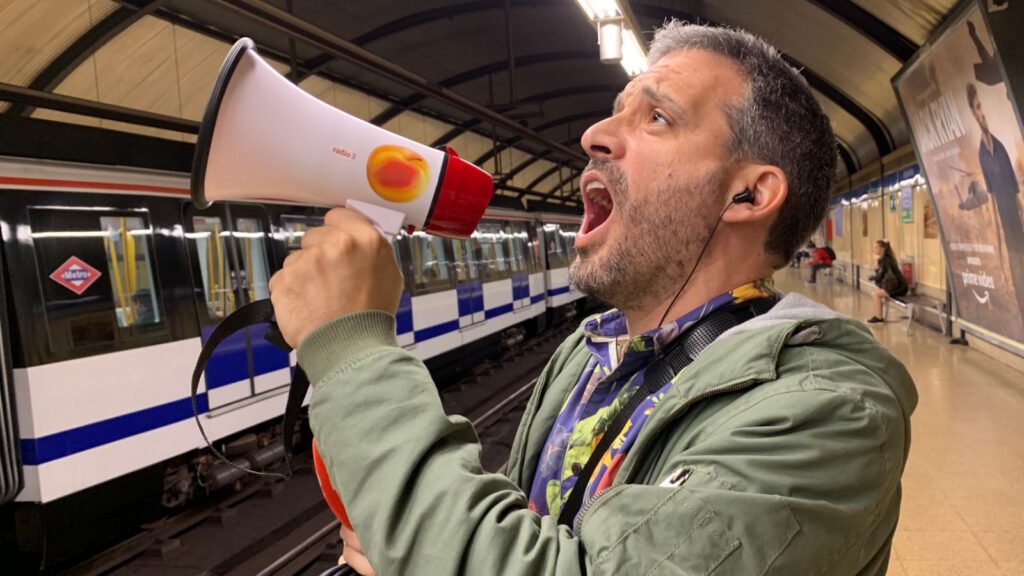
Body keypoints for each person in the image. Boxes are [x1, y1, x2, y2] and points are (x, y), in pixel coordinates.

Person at [269, 21, 917, 575]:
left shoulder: (828, 414)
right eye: (616, 110)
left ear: (748, 194)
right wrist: (425, 545)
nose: (595, 135)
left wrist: (352, 351)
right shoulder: (588, 355)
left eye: (657, 117)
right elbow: (535, 527)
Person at [967, 82, 1024, 316]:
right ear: (973, 113)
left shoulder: (1000, 149)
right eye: (978, 108)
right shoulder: (983, 155)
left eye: (983, 107)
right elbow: (991, 202)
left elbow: (1017, 198)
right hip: (1008, 235)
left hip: (1018, 230)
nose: (983, 113)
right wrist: (999, 255)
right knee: (1018, 277)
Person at [867, 240, 909, 324]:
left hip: (898, 288)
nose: (874, 249)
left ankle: (879, 317)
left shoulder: (884, 260)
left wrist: (873, 275)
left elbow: (880, 276)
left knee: (875, 294)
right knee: (875, 293)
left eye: (876, 247)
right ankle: (878, 316)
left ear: (882, 248)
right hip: (899, 286)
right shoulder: (888, 259)